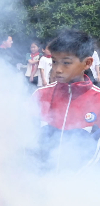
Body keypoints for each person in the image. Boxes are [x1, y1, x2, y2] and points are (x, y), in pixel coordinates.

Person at [36, 30, 100, 171]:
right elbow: (24, 139)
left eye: (66, 62)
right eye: (54, 62)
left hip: (79, 187)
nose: (57, 69)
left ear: (87, 63)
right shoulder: (40, 95)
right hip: (38, 184)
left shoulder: (98, 100)